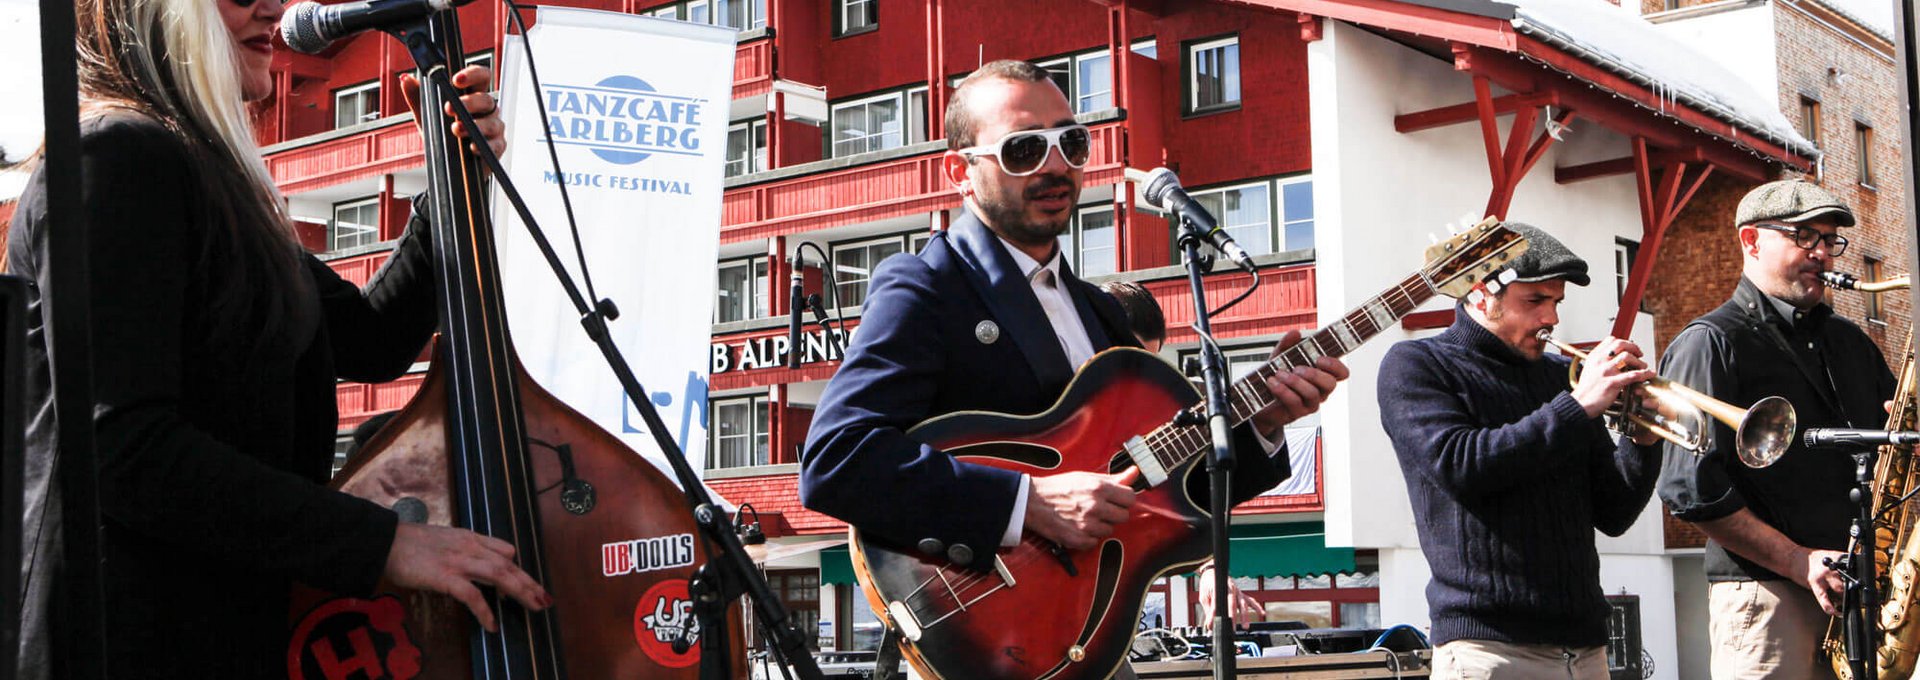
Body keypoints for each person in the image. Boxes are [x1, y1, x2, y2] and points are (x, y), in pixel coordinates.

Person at [10, 0, 549, 675]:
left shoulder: (213, 184)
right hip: (127, 642)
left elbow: (375, 340)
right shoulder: (118, 157)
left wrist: (449, 177)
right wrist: (386, 545)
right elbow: (122, 450)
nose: (274, 5)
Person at [799, 57, 1347, 616]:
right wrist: (1027, 502)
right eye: (1024, 150)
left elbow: (1165, 494)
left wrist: (1263, 424)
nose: (1055, 165)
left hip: (1093, 629)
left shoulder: (1100, 313)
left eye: (1072, 143)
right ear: (959, 173)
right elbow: (836, 462)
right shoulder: (927, 287)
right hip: (982, 627)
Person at [1377, 223, 1664, 679]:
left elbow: (1614, 513)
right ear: (1479, 293)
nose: (1551, 318)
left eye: (1556, 302)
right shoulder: (1417, 365)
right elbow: (1460, 466)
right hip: (1488, 649)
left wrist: (1642, 440)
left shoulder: (1559, 378)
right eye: (1534, 301)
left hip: (1586, 649)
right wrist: (1578, 407)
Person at [1657, 179, 1895, 679]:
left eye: (1830, 240)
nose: (1824, 255)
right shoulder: (1710, 342)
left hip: (1858, 595)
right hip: (1766, 597)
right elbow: (1688, 489)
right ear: (1751, 240)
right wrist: (1796, 560)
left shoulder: (1850, 343)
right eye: (1805, 236)